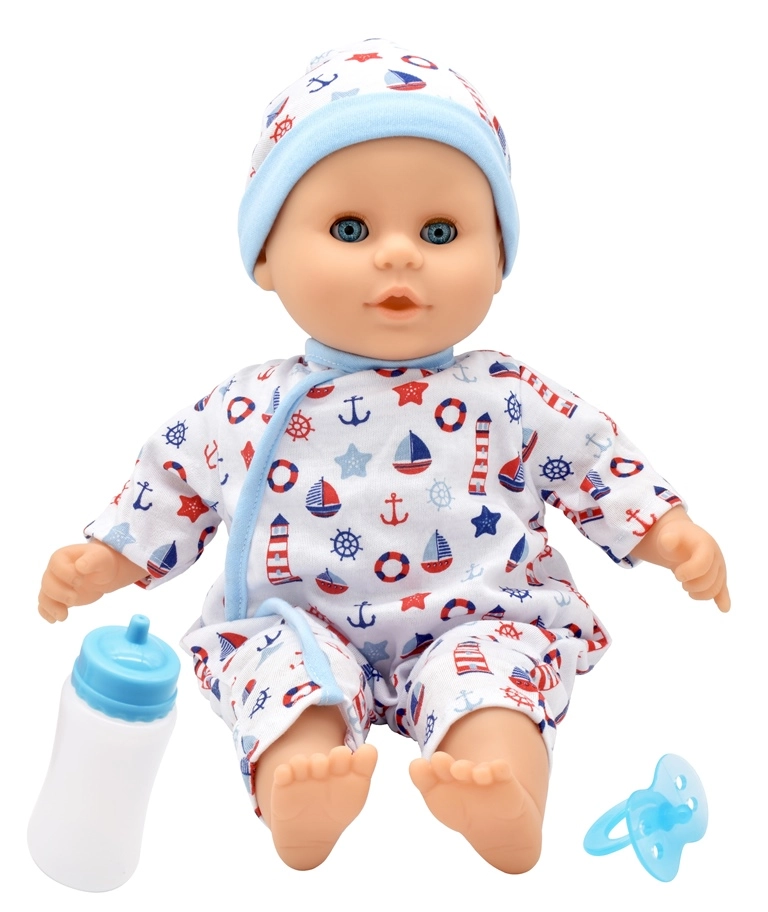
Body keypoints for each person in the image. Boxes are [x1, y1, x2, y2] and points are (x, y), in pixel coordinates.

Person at [38, 39, 729, 874]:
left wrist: (668, 531)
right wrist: (109, 558)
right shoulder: (247, 407)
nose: (399, 254)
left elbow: (594, 462)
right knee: (285, 685)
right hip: (303, 622)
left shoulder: (507, 396)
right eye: (350, 228)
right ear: (266, 257)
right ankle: (302, 794)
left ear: (498, 260)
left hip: (478, 615)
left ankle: (505, 794)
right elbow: (173, 483)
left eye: (440, 231)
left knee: (499, 686)